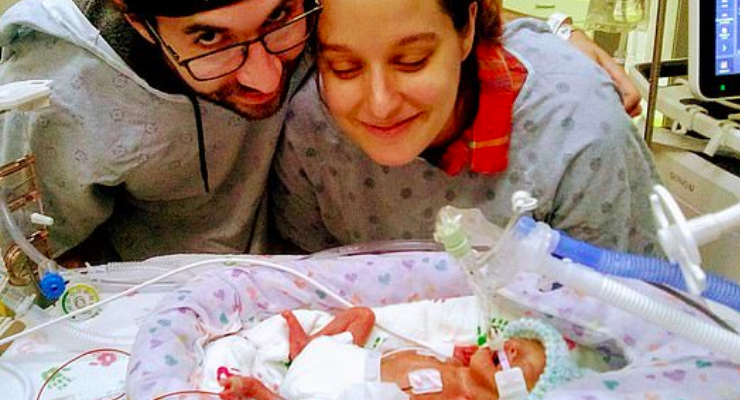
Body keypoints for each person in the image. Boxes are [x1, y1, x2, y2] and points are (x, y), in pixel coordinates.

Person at [0, 0, 643, 264]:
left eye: (281, 18)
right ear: (139, 22)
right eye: (209, 40)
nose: (266, 79)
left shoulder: (573, 128)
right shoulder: (58, 95)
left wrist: (554, 36)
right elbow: (27, 260)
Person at [271, 0, 663, 256]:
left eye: (412, 60)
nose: (380, 103)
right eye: (344, 68)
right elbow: (302, 293)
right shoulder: (312, 126)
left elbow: (631, 321)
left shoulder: (577, 129)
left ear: (466, 29)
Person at [219, 311, 578, 400]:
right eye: (513, 343)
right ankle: (307, 345)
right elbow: (420, 352)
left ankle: (259, 391)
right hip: (347, 358)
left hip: (350, 391)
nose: (510, 348)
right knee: (363, 316)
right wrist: (451, 353)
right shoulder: (457, 363)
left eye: (522, 362)